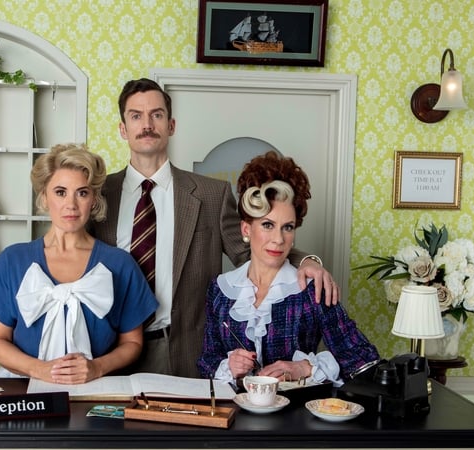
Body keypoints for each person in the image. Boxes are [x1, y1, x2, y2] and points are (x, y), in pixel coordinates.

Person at [91, 78, 339, 378]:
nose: (147, 124)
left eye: (156, 114)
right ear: (122, 128)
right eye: (135, 116)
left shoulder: (211, 195)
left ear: (171, 125)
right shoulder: (97, 195)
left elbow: (252, 248)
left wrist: (307, 261)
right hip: (111, 350)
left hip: (184, 351)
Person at [0, 143, 158, 384]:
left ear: (93, 200)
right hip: (24, 393)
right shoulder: (12, 261)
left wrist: (96, 367)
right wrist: (39, 370)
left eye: (82, 193)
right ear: (44, 196)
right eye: (60, 192)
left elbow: (132, 342)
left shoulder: (120, 264)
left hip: (98, 395)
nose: (71, 204)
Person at [197, 152, 378, 386]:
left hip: (296, 418)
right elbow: (206, 362)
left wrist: (305, 368)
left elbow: (364, 356)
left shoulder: (312, 289)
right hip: (234, 417)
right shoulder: (221, 290)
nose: (278, 239)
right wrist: (228, 366)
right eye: (267, 225)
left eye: (288, 227)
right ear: (245, 229)